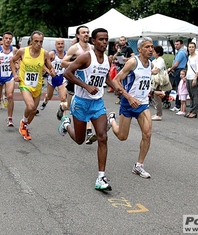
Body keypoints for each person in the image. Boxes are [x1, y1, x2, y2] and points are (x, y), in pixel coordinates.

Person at [58, 28, 115, 191]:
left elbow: (106, 78)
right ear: (93, 41)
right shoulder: (86, 57)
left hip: (97, 103)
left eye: (106, 39)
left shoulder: (106, 59)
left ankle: (101, 177)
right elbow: (67, 73)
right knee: (79, 140)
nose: (104, 42)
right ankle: (66, 123)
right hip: (81, 102)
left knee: (102, 137)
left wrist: (118, 89)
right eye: (101, 39)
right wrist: (86, 86)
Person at [108, 37, 158, 179]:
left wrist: (153, 92)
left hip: (142, 104)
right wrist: (129, 97)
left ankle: (139, 165)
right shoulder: (132, 62)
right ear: (140, 49)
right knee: (123, 137)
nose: (150, 49)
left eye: (152, 47)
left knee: (147, 134)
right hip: (128, 103)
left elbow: (144, 84)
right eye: (147, 47)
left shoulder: (150, 64)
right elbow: (116, 80)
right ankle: (111, 121)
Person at [10, 30, 56, 141]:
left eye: (41, 42)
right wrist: (15, 74)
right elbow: (12, 60)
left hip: (37, 85)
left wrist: (52, 71)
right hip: (24, 83)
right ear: (31, 41)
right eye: (36, 41)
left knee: (34, 110)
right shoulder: (22, 51)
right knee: (30, 106)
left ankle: (24, 125)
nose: (39, 44)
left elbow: (49, 65)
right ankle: (24, 123)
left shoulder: (45, 53)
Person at [60, 25, 96, 145]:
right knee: (70, 107)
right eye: (83, 32)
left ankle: (89, 131)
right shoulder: (74, 48)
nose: (86, 34)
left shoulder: (92, 48)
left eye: (87, 32)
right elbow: (63, 63)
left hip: (88, 82)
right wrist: (77, 63)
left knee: (89, 105)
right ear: (78, 35)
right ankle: (62, 107)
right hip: (74, 81)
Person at [0, 31, 18, 127]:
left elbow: (18, 60)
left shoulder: (14, 50)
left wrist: (17, 65)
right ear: (3, 39)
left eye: (10, 39)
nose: (8, 40)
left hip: (9, 76)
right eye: (6, 38)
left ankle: (10, 119)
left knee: (10, 95)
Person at [39, 38, 67, 111]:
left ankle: (63, 115)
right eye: (58, 44)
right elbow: (42, 63)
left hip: (62, 78)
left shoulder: (67, 54)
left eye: (62, 44)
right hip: (52, 78)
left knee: (63, 97)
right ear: (55, 45)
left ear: (64, 45)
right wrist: (48, 71)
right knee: (49, 96)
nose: (60, 45)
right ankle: (45, 101)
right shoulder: (52, 54)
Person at [168, 40, 188, 112]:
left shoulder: (181, 53)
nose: (176, 46)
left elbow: (176, 64)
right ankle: (179, 104)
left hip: (179, 70)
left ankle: (178, 105)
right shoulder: (181, 52)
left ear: (181, 44)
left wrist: (170, 69)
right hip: (179, 70)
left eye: (177, 44)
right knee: (179, 88)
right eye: (175, 44)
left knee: (179, 88)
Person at [151, 45, 167, 121]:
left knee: (158, 97)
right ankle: (157, 113)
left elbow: (156, 70)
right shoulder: (154, 61)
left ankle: (159, 114)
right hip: (155, 81)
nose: (152, 52)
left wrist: (149, 72)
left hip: (159, 81)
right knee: (156, 97)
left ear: (158, 53)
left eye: (154, 51)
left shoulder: (161, 60)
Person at [185, 42, 198, 118]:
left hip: (193, 78)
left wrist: (195, 79)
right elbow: (188, 68)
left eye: (192, 47)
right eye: (189, 47)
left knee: (194, 95)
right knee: (190, 95)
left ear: (195, 48)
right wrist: (186, 76)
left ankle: (194, 112)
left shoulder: (197, 57)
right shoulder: (189, 57)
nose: (191, 48)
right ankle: (191, 110)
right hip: (188, 77)